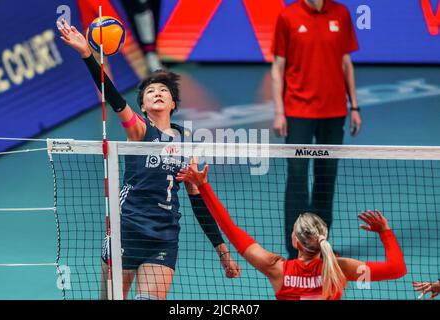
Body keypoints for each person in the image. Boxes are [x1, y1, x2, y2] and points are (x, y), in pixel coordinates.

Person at [57, 19, 241, 300]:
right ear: (142, 106)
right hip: (126, 231)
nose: (157, 92)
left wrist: (222, 251)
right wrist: (87, 55)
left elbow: (197, 201)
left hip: (164, 236)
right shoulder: (140, 131)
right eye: (150, 92)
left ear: (172, 104)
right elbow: (116, 100)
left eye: (163, 91)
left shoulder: (186, 142)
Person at [177, 163, 407, 300]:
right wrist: (384, 232)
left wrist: (204, 186)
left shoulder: (276, 268)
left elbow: (231, 230)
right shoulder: (340, 269)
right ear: (323, 237)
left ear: (295, 241)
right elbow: (397, 270)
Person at [271, 0, 363, 259]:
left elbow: (346, 62)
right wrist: (279, 111)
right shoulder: (288, 17)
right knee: (297, 178)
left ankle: (320, 245)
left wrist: (354, 106)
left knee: (326, 178)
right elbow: (278, 67)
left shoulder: (341, 14)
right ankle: (295, 249)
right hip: (298, 112)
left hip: (334, 113)